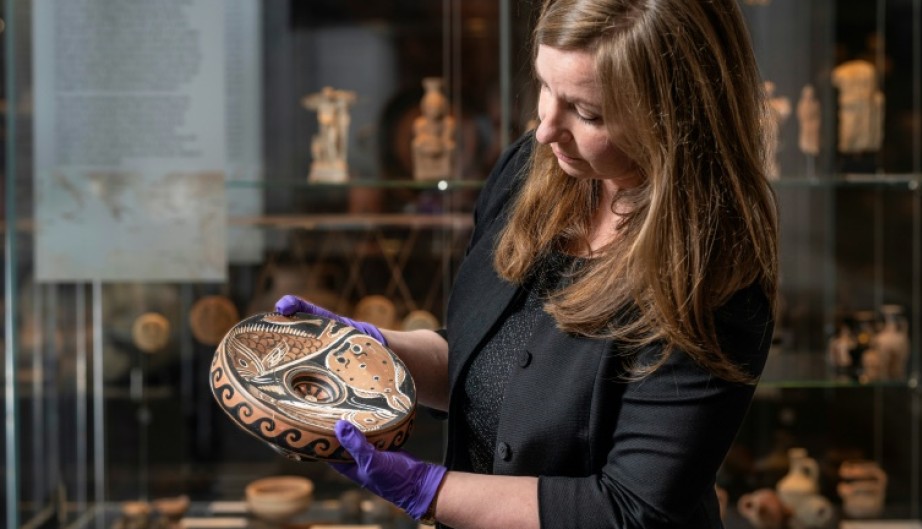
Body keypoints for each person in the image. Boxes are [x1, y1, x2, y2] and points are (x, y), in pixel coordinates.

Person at [276, 0, 778, 527]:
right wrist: (374, 350)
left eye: (587, 112)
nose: (545, 129)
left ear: (673, 115)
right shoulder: (531, 172)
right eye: (545, 86)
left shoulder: (712, 272)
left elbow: (631, 509)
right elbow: (485, 364)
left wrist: (426, 488)